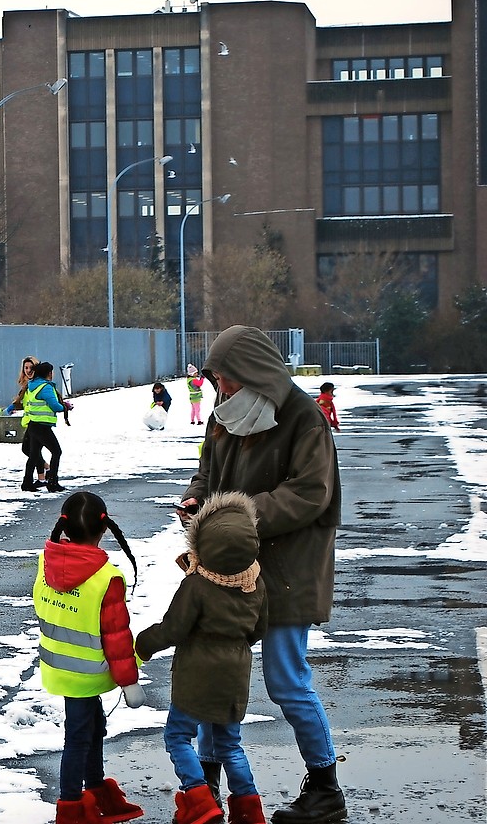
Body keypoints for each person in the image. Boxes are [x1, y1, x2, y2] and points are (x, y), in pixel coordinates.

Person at [177, 325, 345, 824]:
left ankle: (325, 787)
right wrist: (196, 497)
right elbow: (207, 472)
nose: (220, 391)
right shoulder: (225, 415)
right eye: (217, 382)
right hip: (227, 567)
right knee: (214, 671)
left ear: (254, 374)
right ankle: (206, 784)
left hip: (289, 569)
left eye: (227, 381)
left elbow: (311, 494)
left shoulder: (303, 418)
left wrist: (236, 514)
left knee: (286, 682)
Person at [136, 491, 269, 824]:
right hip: (235, 675)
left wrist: (143, 643)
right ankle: (249, 807)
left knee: (178, 736)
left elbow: (174, 628)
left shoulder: (196, 585)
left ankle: (198, 797)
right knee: (229, 745)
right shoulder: (255, 582)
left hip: (196, 675)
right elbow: (259, 629)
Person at [33, 491, 144, 824]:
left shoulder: (47, 562)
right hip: (87, 673)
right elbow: (116, 636)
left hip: (58, 666)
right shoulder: (105, 578)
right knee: (79, 737)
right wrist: (128, 681)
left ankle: (97, 792)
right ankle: (70, 808)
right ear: (104, 529)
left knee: (94, 727)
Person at [21, 361, 66, 493]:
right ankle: (52, 482)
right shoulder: (45, 387)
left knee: (34, 455)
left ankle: (27, 482)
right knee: (57, 452)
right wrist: (65, 407)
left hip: (33, 424)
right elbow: (55, 406)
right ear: (49, 373)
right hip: (42, 427)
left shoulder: (32, 385)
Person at [11, 356, 46, 485]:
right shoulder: (26, 384)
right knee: (31, 450)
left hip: (38, 421)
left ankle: (41, 476)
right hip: (30, 420)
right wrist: (13, 407)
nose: (28, 370)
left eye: (31, 367)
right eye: (26, 368)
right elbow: (23, 401)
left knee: (32, 450)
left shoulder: (37, 383)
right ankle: (43, 471)